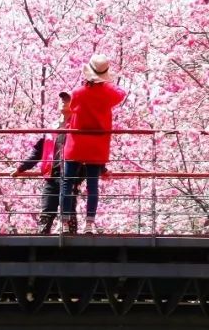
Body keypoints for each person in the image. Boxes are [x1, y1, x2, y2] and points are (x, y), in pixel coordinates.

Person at [60, 54, 126, 234]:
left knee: (67, 182)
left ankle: (64, 222)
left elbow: (69, 108)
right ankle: (89, 223)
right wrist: (106, 83)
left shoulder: (77, 93)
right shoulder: (110, 94)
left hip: (76, 143)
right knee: (92, 185)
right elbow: (121, 92)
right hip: (97, 145)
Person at [12, 91, 72, 234]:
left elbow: (89, 149)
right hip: (51, 174)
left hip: (70, 175)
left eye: (67, 99)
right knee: (46, 209)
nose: (63, 101)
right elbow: (37, 152)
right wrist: (21, 168)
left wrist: (101, 168)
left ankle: (72, 248)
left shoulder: (77, 127)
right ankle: (42, 243)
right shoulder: (51, 128)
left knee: (69, 213)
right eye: (61, 99)